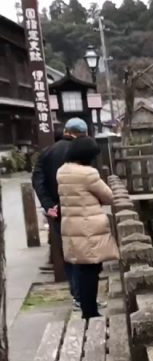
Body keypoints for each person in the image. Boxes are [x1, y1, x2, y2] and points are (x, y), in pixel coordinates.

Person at [57, 137, 117, 320]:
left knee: (82, 269)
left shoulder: (62, 171)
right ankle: (90, 313)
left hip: (72, 226)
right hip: (88, 227)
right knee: (91, 271)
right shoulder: (88, 174)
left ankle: (87, 310)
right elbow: (109, 196)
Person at [33, 118, 88, 307]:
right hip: (79, 208)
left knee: (68, 252)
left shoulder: (47, 152)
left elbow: (37, 180)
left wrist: (49, 205)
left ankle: (77, 295)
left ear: (66, 131)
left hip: (58, 211)